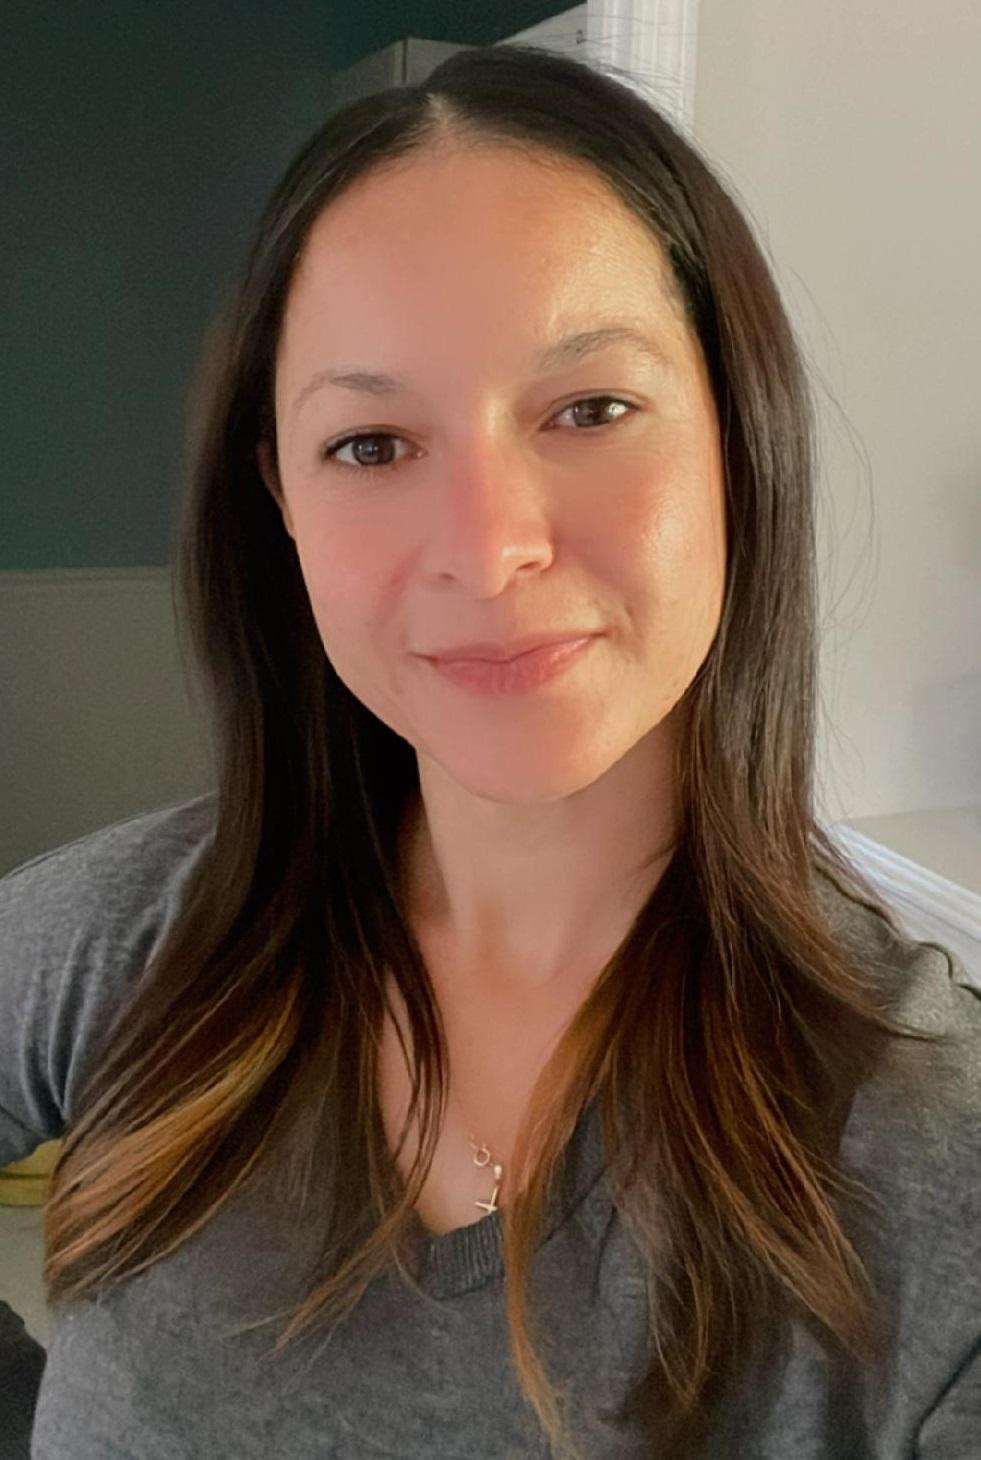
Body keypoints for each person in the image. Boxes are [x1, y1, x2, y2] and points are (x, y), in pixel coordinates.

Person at [1, 42, 979, 1460]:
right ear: (279, 498)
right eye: (371, 445)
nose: (486, 545)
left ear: (735, 438)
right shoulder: (124, 941)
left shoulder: (932, 1160)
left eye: (589, 410)